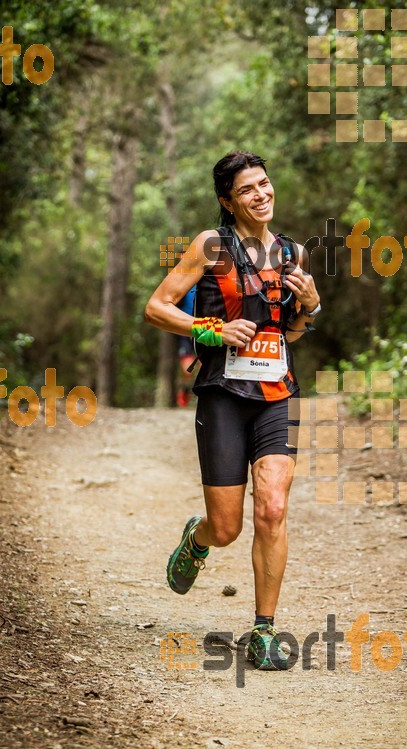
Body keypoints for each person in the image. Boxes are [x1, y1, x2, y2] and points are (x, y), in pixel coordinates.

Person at [144, 150, 321, 670]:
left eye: (265, 184)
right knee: (228, 528)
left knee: (272, 508)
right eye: (248, 190)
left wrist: (309, 303)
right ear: (228, 200)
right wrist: (212, 329)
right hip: (223, 396)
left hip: (277, 395)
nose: (261, 195)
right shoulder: (210, 246)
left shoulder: (293, 254)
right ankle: (196, 539)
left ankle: (263, 631)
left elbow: (293, 332)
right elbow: (157, 308)